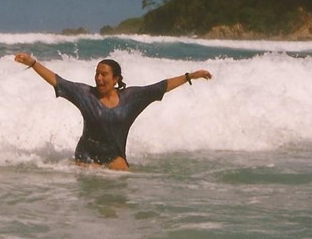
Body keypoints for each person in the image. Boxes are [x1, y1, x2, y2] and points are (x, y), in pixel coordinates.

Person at [15, 52, 212, 171]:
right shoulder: (85, 94)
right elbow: (57, 80)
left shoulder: (132, 98)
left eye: (104, 74)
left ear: (116, 78)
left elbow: (162, 86)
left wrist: (190, 76)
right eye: (97, 73)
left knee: (122, 191)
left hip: (114, 155)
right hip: (86, 155)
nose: (99, 78)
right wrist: (32, 63)